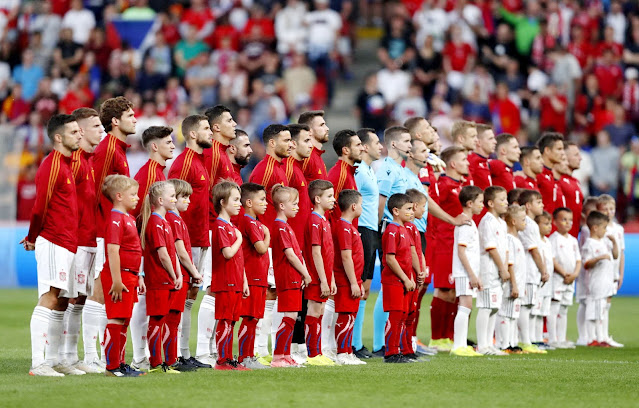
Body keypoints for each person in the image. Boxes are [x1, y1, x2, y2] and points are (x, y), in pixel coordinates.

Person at [23, 114, 83, 377]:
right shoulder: (52, 165)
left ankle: (55, 359)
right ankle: (39, 363)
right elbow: (39, 207)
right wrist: (33, 237)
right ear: (58, 137)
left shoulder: (68, 165)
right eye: (73, 132)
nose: (79, 135)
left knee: (61, 300)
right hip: (54, 239)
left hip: (68, 242)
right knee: (49, 296)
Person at [91, 97, 137, 366]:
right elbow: (96, 193)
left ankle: (103, 357)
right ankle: (95, 357)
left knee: (104, 296)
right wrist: (108, 230)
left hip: (113, 232)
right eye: (130, 115)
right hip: (104, 233)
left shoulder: (118, 149)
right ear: (116, 121)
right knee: (99, 294)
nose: (135, 119)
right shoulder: (108, 149)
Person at [167, 115, 213, 367]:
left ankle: (184, 353)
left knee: (190, 295)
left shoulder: (201, 161)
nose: (211, 133)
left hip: (200, 237)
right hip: (187, 238)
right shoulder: (184, 163)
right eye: (206, 129)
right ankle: (176, 354)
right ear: (193, 134)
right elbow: (172, 199)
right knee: (181, 294)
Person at [129, 126, 175, 371]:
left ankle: (145, 354)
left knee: (149, 304)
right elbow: (136, 215)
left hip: (154, 246)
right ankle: (138, 356)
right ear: (154, 146)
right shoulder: (147, 175)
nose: (173, 146)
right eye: (168, 142)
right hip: (147, 248)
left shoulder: (158, 173)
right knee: (143, 303)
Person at [249, 124, 292, 362]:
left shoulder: (279, 168)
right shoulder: (264, 170)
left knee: (272, 294)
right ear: (272, 143)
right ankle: (257, 349)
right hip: (265, 242)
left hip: (274, 240)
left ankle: (263, 349)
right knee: (265, 294)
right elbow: (254, 207)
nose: (290, 144)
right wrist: (260, 237)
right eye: (286, 140)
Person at [65, 108, 102, 374]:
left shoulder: (88, 161)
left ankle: (75, 357)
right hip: (75, 241)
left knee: (80, 298)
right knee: (69, 298)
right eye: (96, 126)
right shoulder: (73, 161)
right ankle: (64, 356)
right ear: (80, 130)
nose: (101, 131)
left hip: (90, 238)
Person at [100, 175, 145, 377]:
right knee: (116, 318)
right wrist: (116, 281)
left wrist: (139, 276)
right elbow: (112, 250)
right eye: (133, 194)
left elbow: (133, 250)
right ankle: (111, 367)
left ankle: (120, 363)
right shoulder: (116, 219)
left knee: (125, 319)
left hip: (131, 276)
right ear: (119, 196)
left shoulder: (128, 218)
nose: (137, 198)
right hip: (119, 277)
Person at [139, 181, 183, 374]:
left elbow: (172, 253)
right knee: (157, 320)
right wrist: (175, 275)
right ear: (160, 200)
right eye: (172, 196)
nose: (175, 199)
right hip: (158, 278)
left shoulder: (164, 222)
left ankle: (164, 361)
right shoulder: (156, 222)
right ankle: (156, 363)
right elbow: (163, 254)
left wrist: (178, 273)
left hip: (167, 278)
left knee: (163, 319)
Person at [430, 146, 470, 350]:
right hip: (445, 242)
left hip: (459, 243)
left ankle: (450, 336)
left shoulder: (462, 184)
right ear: (453, 163)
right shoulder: (443, 184)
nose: (468, 162)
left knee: (456, 291)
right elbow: (432, 208)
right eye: (464, 159)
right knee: (444, 290)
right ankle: (437, 338)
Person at [210, 181, 250, 370]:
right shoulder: (220, 226)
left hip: (235, 281)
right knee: (225, 319)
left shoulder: (230, 226)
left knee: (232, 320)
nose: (239, 204)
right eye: (235, 200)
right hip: (225, 281)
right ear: (223, 202)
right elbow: (227, 253)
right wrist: (240, 239)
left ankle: (228, 358)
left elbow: (238, 259)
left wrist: (244, 280)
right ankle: (222, 360)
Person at [270, 185, 312, 368]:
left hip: (294, 277)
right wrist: (306, 273)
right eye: (293, 204)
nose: (297, 207)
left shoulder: (286, 226)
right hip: (287, 278)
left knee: (292, 317)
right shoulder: (279, 227)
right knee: (288, 317)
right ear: (281, 205)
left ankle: (286, 355)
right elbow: (290, 254)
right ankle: (278, 356)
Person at [282, 124, 313, 363]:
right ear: (292, 143)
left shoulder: (296, 169)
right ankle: (285, 348)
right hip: (288, 241)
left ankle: (297, 346)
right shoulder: (287, 170)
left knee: (300, 295)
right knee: (284, 296)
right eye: (306, 140)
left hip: (299, 239)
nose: (310, 144)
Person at [166, 179, 204, 370]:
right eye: (183, 197)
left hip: (182, 275)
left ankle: (175, 356)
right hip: (179, 275)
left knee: (175, 317)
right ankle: (170, 359)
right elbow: (180, 251)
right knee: (172, 317)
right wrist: (194, 271)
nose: (188, 200)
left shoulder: (178, 219)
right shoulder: (173, 219)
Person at [352, 128, 382, 359]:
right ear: (364, 146)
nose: (380, 146)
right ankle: (352, 343)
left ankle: (357, 342)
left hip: (371, 230)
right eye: (376, 142)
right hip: (361, 230)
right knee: (358, 287)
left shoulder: (370, 170)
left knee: (365, 290)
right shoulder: (359, 172)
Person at [303, 180, 338, 365]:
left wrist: (330, 278)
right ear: (317, 199)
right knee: (314, 310)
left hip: (324, 275)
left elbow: (328, 254)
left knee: (321, 310)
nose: (334, 199)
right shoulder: (315, 221)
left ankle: (317, 352)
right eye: (329, 196)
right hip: (316, 276)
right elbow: (316, 252)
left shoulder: (324, 220)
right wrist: (323, 280)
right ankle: (312, 354)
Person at [237, 183, 272, 369]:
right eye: (262, 200)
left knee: (254, 318)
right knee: (249, 317)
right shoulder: (248, 221)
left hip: (259, 277)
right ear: (249, 202)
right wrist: (267, 235)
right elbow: (260, 248)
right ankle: (244, 357)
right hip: (251, 278)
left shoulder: (255, 222)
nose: (266, 203)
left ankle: (249, 355)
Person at [381, 193, 417, 363]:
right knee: (395, 316)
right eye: (408, 209)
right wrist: (405, 278)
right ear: (396, 211)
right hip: (394, 281)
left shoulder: (404, 229)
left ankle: (398, 350)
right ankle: (390, 353)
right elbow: (390, 258)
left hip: (402, 281)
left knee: (402, 316)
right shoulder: (392, 230)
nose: (412, 212)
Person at [332, 189, 366, 365]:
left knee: (351, 315)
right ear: (354, 206)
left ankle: (348, 351)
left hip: (352, 280)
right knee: (345, 315)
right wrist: (353, 282)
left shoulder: (349, 227)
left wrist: (358, 281)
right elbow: (346, 256)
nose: (362, 207)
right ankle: (341, 353)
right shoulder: (343, 227)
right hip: (345, 281)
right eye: (361, 204)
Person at [451, 185, 484, 357]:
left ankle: (461, 344)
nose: (482, 205)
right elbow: (461, 251)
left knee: (466, 306)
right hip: (464, 272)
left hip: (467, 271)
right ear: (470, 203)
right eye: (480, 202)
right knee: (465, 306)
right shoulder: (464, 223)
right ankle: (458, 345)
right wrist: (471, 274)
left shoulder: (469, 223)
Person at [476, 186, 509, 356]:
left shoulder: (502, 223)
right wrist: (502, 268)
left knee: (494, 307)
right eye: (502, 199)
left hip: (498, 270)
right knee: (486, 306)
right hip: (488, 270)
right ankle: (482, 345)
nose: (506, 202)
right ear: (490, 203)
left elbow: (504, 248)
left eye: (506, 199)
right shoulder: (487, 221)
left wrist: (505, 266)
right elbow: (491, 247)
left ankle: (489, 344)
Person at [517, 189, 549, 354]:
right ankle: (525, 341)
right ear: (528, 205)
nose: (542, 205)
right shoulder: (528, 225)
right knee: (526, 306)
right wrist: (543, 270)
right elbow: (534, 250)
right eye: (538, 202)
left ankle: (524, 340)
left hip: (531, 271)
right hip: (529, 270)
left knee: (529, 305)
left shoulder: (531, 224)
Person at [581, 211, 618, 347]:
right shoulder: (589, 244)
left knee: (600, 311)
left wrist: (614, 242)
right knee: (594, 312)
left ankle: (600, 337)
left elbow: (615, 256)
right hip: (596, 284)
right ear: (595, 228)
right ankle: (592, 338)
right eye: (604, 227)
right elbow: (586, 264)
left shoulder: (604, 243)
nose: (605, 230)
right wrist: (599, 258)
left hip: (605, 283)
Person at [548, 207, 581, 349]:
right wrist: (563, 273)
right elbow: (552, 259)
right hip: (558, 279)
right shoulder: (553, 239)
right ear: (555, 222)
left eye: (570, 220)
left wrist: (574, 274)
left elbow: (578, 260)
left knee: (564, 309)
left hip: (570, 280)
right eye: (564, 219)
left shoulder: (573, 240)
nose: (568, 223)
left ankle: (562, 338)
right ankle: (552, 338)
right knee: (554, 308)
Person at [403, 188, 429, 359]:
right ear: (414, 206)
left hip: (415, 276)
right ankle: (398, 349)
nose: (424, 211)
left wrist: (422, 270)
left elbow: (419, 253)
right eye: (423, 207)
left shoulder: (414, 227)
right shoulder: (400, 228)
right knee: (403, 314)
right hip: (407, 277)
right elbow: (411, 253)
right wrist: (418, 271)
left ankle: (409, 348)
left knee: (411, 313)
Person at [596, 194, 625, 348]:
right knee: (600, 303)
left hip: (613, 271)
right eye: (605, 209)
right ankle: (598, 335)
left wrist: (620, 273)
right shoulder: (597, 228)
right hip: (601, 271)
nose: (609, 212)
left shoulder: (618, 229)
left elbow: (621, 253)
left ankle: (604, 335)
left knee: (607, 303)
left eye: (611, 208)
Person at [499, 204, 527, 353]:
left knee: (513, 314)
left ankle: (511, 341)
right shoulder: (509, 239)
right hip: (511, 285)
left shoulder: (517, 239)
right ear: (514, 221)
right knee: (506, 313)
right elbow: (510, 264)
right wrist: (514, 285)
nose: (525, 223)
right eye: (523, 219)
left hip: (518, 284)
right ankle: (504, 343)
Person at [327, 129, 363, 221]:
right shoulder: (339, 173)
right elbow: (328, 209)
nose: (362, 148)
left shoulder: (348, 171)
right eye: (358, 145)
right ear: (346, 150)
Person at [531, 211, 553, 349]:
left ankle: (539, 338)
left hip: (547, 283)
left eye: (550, 223)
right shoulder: (536, 242)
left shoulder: (548, 241)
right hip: (538, 280)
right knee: (535, 311)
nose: (549, 226)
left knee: (542, 313)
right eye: (545, 223)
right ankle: (532, 338)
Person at [536, 132, 565, 214]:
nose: (563, 153)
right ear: (547, 150)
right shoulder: (538, 175)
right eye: (559, 149)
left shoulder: (551, 175)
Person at [558, 142, 583, 238]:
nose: (580, 158)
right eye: (576, 155)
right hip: (561, 238)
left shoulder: (576, 181)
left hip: (574, 237)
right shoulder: (558, 180)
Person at [298, 110, 329, 181]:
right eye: (321, 125)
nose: (327, 128)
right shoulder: (306, 157)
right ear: (310, 131)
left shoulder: (316, 155)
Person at [468, 124, 496, 190]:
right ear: (478, 142)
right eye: (490, 138)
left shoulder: (486, 162)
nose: (495, 142)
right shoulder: (470, 162)